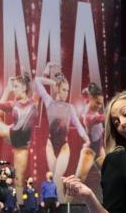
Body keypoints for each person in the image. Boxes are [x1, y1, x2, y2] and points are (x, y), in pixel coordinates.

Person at [35, 65, 89, 199]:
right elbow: (37, 80)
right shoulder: (49, 102)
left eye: (67, 90)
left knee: (58, 178)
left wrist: (87, 139)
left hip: (64, 146)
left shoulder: (70, 108)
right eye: (64, 89)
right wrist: (52, 80)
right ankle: (58, 208)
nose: (66, 93)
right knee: (54, 180)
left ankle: (62, 211)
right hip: (50, 145)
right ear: (58, 89)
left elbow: (78, 125)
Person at [75, 82, 106, 182]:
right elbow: (101, 118)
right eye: (97, 103)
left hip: (99, 147)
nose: (100, 106)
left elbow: (85, 92)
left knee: (109, 174)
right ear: (91, 98)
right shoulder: (88, 116)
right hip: (90, 150)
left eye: (101, 103)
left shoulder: (90, 105)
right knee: (78, 182)